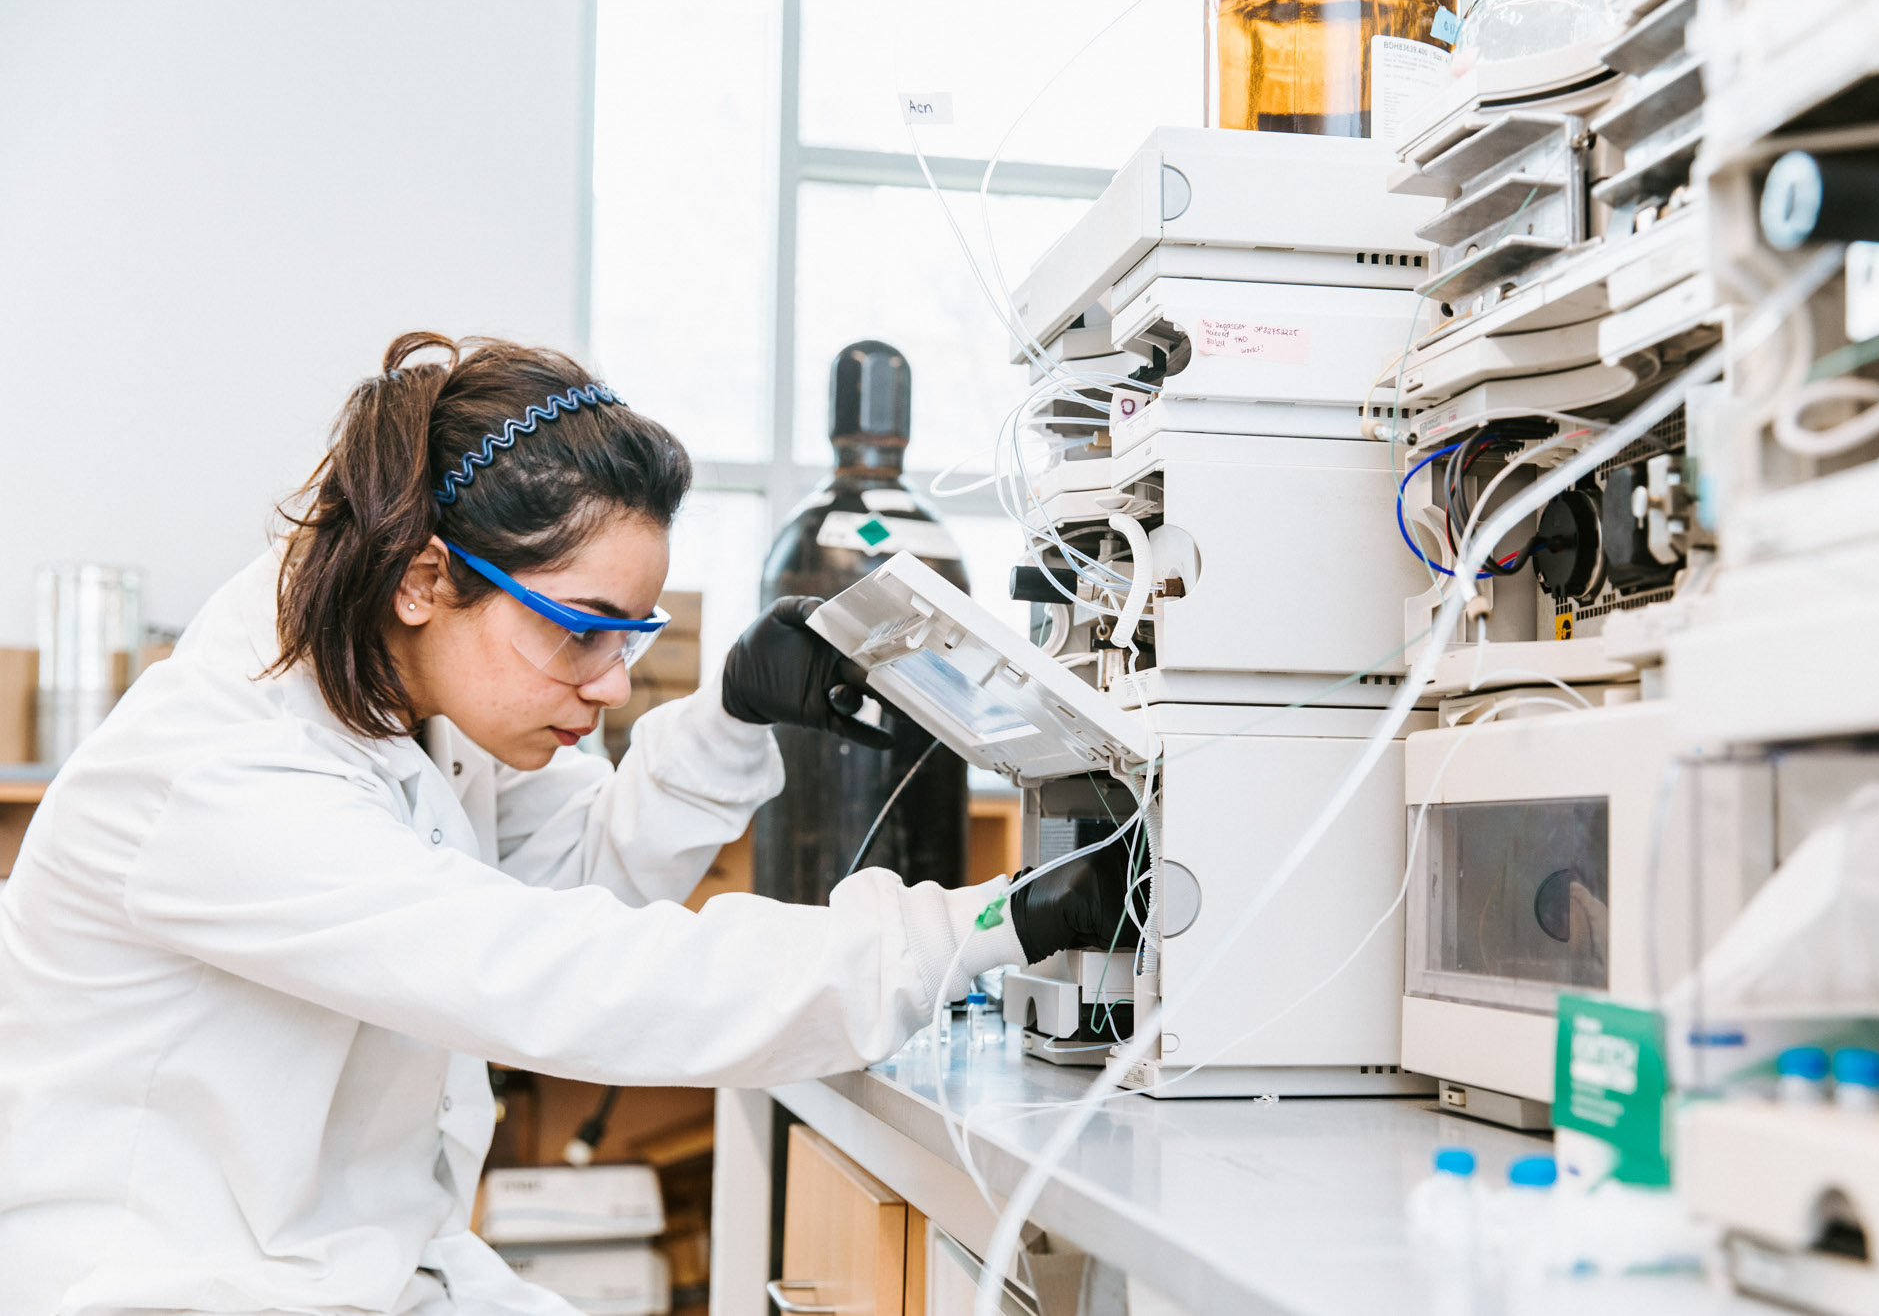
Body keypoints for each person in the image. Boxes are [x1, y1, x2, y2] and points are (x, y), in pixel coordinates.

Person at [0, 333, 1122, 1315]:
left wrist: (730, 713)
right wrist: (984, 922)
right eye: (583, 629)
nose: (612, 685)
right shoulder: (222, 772)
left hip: (364, 1269)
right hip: (168, 1287)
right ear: (425, 578)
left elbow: (578, 880)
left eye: (632, 634)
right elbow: (573, 973)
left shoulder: (404, 703)